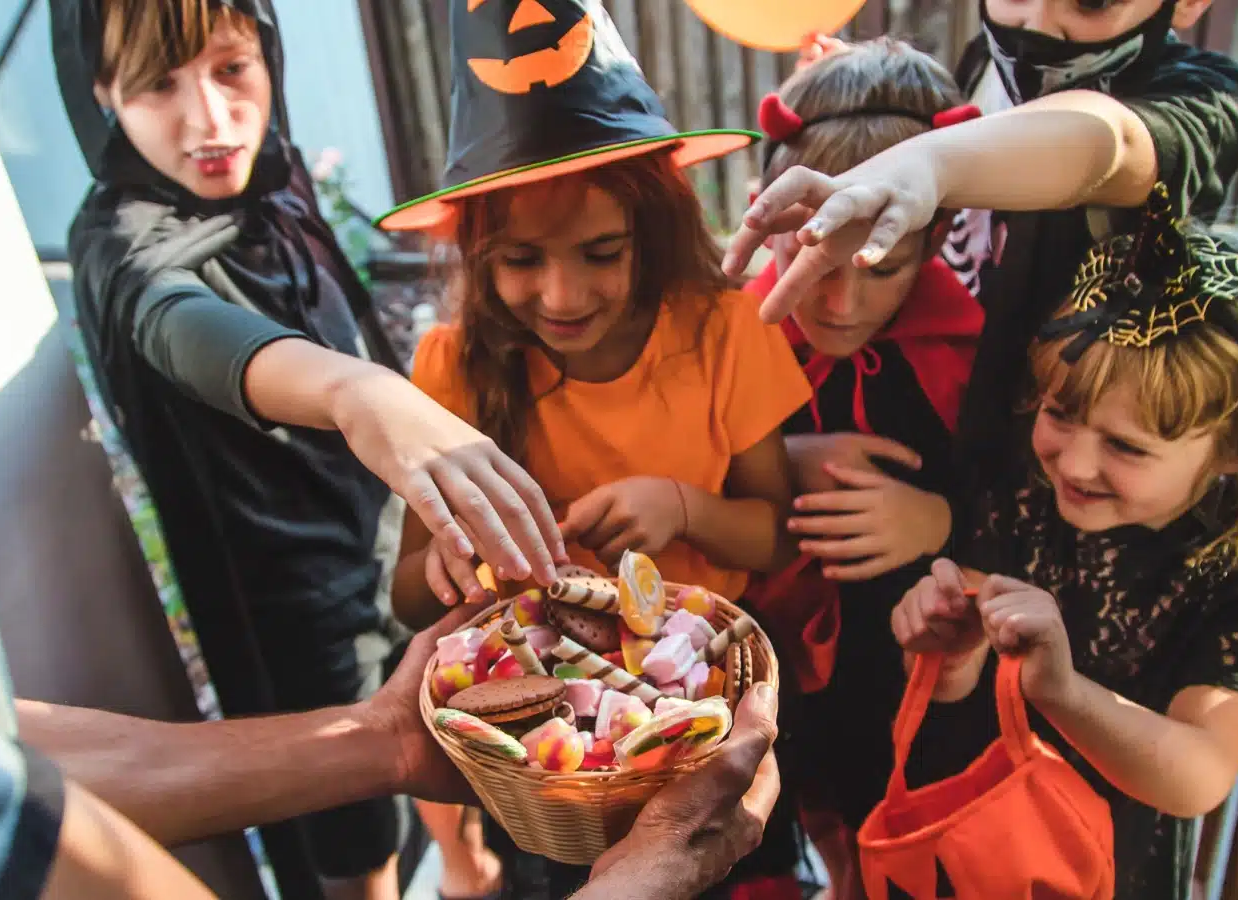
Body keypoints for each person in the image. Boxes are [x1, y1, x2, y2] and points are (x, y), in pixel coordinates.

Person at [47, 1, 562, 895]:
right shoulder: (123, 242)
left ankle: (464, 870)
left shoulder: (274, 177)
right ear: (100, 92)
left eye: (232, 69)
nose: (210, 120)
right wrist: (353, 390)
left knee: (440, 704)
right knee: (354, 827)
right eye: (159, 83)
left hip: (374, 533)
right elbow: (180, 323)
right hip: (287, 602)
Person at [379, 4, 809, 897]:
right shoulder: (453, 367)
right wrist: (457, 561)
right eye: (521, 259)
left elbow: (777, 537)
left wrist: (686, 508)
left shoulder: (725, 331)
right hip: (549, 761)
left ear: (650, 231)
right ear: (477, 252)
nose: (562, 294)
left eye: (601, 253)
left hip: (707, 716)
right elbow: (405, 594)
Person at [881, 187, 1238, 899]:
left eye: (1126, 447)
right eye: (1061, 414)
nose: (1073, 462)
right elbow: (965, 665)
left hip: (1107, 862)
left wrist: (1064, 692)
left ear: (1237, 450)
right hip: (981, 827)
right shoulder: (1027, 482)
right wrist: (949, 655)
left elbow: (1199, 775)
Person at [724, 0, 1238, 555]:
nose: (1036, 26)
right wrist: (859, 109)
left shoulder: (1201, 95)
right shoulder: (985, 65)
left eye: (1093, 1)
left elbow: (1112, 141)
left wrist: (927, 163)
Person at [736, 38, 984, 900]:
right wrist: (785, 459)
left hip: (903, 659)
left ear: (937, 234)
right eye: (814, 263)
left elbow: (1030, 500)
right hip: (761, 650)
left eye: (881, 269)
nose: (839, 305)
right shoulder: (731, 338)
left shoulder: (975, 354)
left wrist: (943, 521)